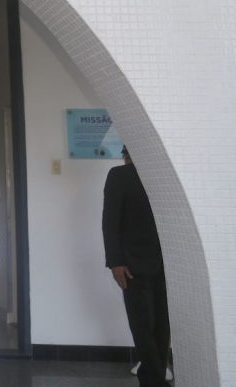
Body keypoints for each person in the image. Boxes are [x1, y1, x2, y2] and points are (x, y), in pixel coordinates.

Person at [102, 145, 170, 387]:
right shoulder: (119, 176)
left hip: (167, 266)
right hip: (132, 267)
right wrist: (115, 262)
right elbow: (109, 221)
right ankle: (154, 381)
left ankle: (154, 378)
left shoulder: (165, 176)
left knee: (162, 328)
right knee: (144, 328)